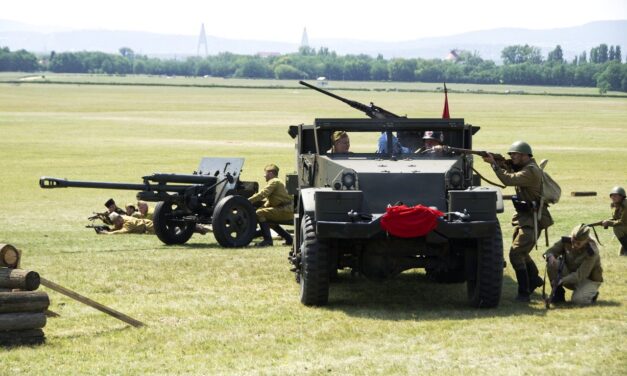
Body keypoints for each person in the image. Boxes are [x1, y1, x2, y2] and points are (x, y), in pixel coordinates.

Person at [482, 141, 553, 302]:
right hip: (524, 217)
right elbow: (510, 171)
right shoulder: (524, 168)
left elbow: (508, 180)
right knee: (522, 252)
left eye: (515, 154)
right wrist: (500, 162)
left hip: (533, 218)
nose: (512, 157)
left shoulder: (531, 171)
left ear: (525, 155)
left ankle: (524, 292)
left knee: (516, 254)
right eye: (511, 155)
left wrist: (494, 165)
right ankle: (534, 280)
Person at [544, 224, 603, 305]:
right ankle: (558, 295)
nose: (574, 245)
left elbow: (580, 275)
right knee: (552, 263)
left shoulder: (592, 252)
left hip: (587, 279)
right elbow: (549, 252)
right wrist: (549, 256)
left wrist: (561, 281)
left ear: (587, 241)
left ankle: (592, 293)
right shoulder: (566, 241)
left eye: (578, 243)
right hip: (570, 274)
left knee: (578, 301)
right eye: (573, 241)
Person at [248, 164, 293, 247]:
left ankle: (268, 241)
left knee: (259, 213)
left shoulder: (274, 181)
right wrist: (262, 207)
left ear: (271, 173)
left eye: (266, 174)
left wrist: (247, 201)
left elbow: (262, 194)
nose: (265, 177)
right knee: (269, 220)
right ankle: (289, 239)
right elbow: (269, 201)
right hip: (287, 210)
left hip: (286, 210)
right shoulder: (278, 182)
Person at [601, 186, 627, 256]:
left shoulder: (626, 205)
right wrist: (607, 220)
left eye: (615, 195)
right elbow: (616, 218)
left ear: (622, 196)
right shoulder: (618, 205)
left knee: (617, 228)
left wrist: (609, 223)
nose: (613, 197)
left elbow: (622, 222)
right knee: (621, 254)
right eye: (612, 196)